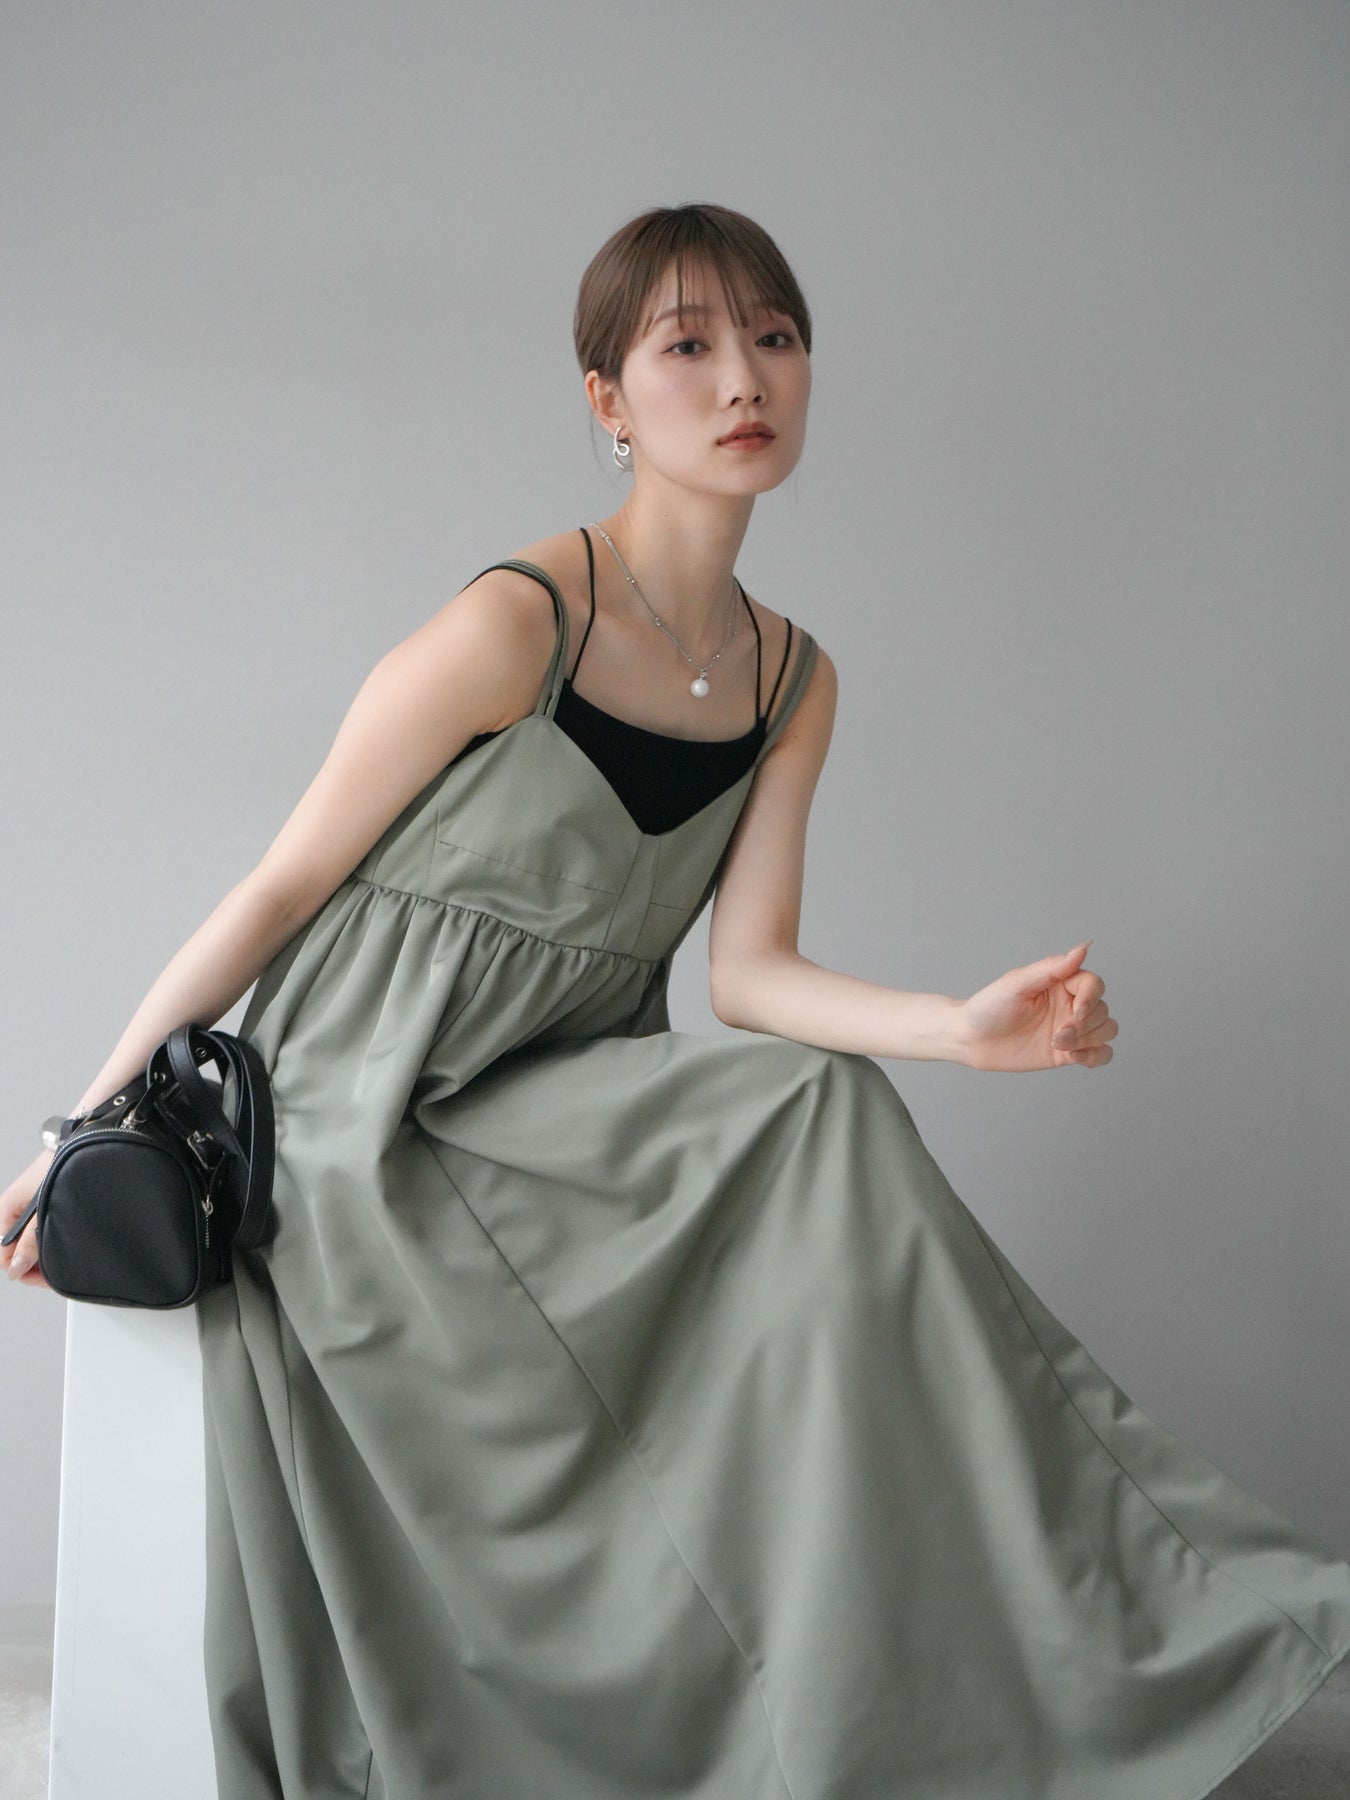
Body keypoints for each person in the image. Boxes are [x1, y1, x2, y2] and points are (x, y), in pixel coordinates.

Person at [4, 200, 1348, 1798]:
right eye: (686, 346)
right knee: (806, 1144)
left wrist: (961, 1031)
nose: (741, 380)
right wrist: (84, 1124)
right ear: (607, 399)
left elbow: (748, 974)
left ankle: (1057, 1623)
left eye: (772, 339)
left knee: (827, 1107)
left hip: (553, 1095)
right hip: (365, 1106)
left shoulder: (791, 678)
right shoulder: (516, 621)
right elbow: (280, 890)